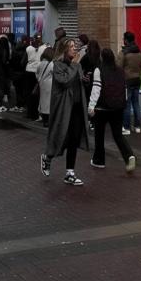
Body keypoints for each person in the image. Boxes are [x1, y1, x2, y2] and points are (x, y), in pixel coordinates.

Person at [41, 38, 90, 185]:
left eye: (76, 47)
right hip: (63, 108)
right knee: (61, 136)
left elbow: (78, 82)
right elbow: (65, 81)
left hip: (76, 108)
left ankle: (70, 172)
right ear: (64, 50)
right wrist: (76, 71)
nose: (75, 49)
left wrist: (85, 81)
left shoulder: (77, 66)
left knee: (74, 139)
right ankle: (47, 157)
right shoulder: (57, 65)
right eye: (72, 47)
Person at [88, 47, 136, 172]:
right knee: (118, 135)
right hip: (118, 107)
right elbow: (124, 88)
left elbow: (96, 88)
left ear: (102, 58)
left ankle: (99, 160)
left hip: (102, 108)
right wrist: (123, 102)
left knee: (99, 135)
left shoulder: (99, 70)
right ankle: (129, 155)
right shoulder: (120, 71)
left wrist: (91, 106)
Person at [119, 31, 141, 135]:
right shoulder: (139, 51)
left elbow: (118, 66)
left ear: (125, 40)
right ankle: (138, 126)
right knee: (136, 103)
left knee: (127, 104)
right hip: (137, 80)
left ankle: (126, 127)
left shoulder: (124, 53)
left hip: (127, 81)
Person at [24, 35, 44, 119]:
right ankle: (36, 113)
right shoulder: (44, 48)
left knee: (29, 93)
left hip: (29, 71)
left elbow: (24, 60)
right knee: (37, 93)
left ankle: (30, 113)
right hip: (38, 72)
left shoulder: (28, 48)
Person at [36, 47, 55, 126]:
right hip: (50, 84)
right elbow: (54, 74)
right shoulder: (51, 64)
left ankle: (44, 120)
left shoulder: (40, 63)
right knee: (49, 102)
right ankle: (48, 121)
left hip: (42, 84)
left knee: (43, 101)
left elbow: (36, 74)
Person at [9, 35, 29, 111]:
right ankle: (23, 104)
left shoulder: (14, 53)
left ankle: (19, 104)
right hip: (24, 73)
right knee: (24, 89)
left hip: (16, 73)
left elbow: (11, 63)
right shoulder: (26, 53)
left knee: (18, 90)